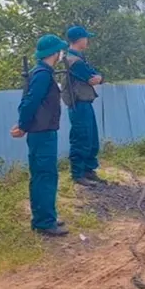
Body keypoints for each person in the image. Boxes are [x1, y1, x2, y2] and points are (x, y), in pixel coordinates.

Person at [11, 34, 69, 237]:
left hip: (41, 131)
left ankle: (44, 217)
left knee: (41, 175)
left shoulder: (41, 72)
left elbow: (30, 101)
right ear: (54, 53)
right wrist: (22, 125)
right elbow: (30, 102)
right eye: (60, 50)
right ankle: (45, 222)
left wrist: (24, 124)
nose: (61, 54)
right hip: (42, 133)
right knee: (45, 176)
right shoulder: (43, 74)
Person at [65, 25, 105, 186]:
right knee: (81, 137)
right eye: (86, 38)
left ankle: (88, 170)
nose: (87, 40)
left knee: (91, 137)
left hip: (84, 102)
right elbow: (92, 78)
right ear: (80, 39)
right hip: (78, 103)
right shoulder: (74, 61)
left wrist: (99, 77)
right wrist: (99, 78)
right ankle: (78, 173)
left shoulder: (78, 58)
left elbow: (97, 76)